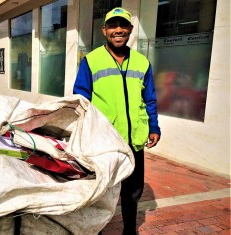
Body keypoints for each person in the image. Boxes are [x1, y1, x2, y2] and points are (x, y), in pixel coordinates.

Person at [73, 7, 161, 235]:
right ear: (105, 30)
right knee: (102, 192)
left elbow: (149, 98)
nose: (118, 30)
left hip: (134, 140)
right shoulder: (91, 61)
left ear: (130, 30)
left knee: (132, 192)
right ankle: (98, 231)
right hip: (104, 142)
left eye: (123, 25)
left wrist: (153, 126)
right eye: (113, 26)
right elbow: (80, 99)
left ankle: (129, 231)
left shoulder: (142, 62)